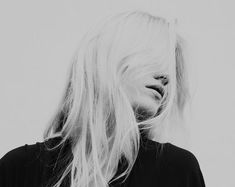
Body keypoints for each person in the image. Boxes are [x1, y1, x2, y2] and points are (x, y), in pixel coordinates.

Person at [0, 10, 206, 187]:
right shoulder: (20, 169)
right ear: (108, 60)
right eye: (153, 61)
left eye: (168, 70)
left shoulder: (177, 170)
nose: (165, 77)